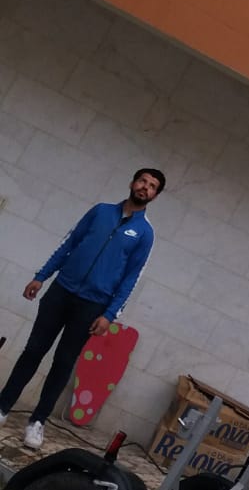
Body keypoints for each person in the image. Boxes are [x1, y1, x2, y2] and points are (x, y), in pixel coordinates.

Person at [0, 167, 164, 450]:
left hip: (93, 305)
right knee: (32, 352)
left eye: (151, 187)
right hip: (61, 292)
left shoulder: (145, 234)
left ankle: (37, 422)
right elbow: (69, 244)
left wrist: (110, 315)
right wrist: (41, 276)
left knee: (63, 363)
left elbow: (131, 278)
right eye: (142, 181)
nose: (145, 188)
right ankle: (2, 408)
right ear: (132, 182)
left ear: (155, 196)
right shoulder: (100, 211)